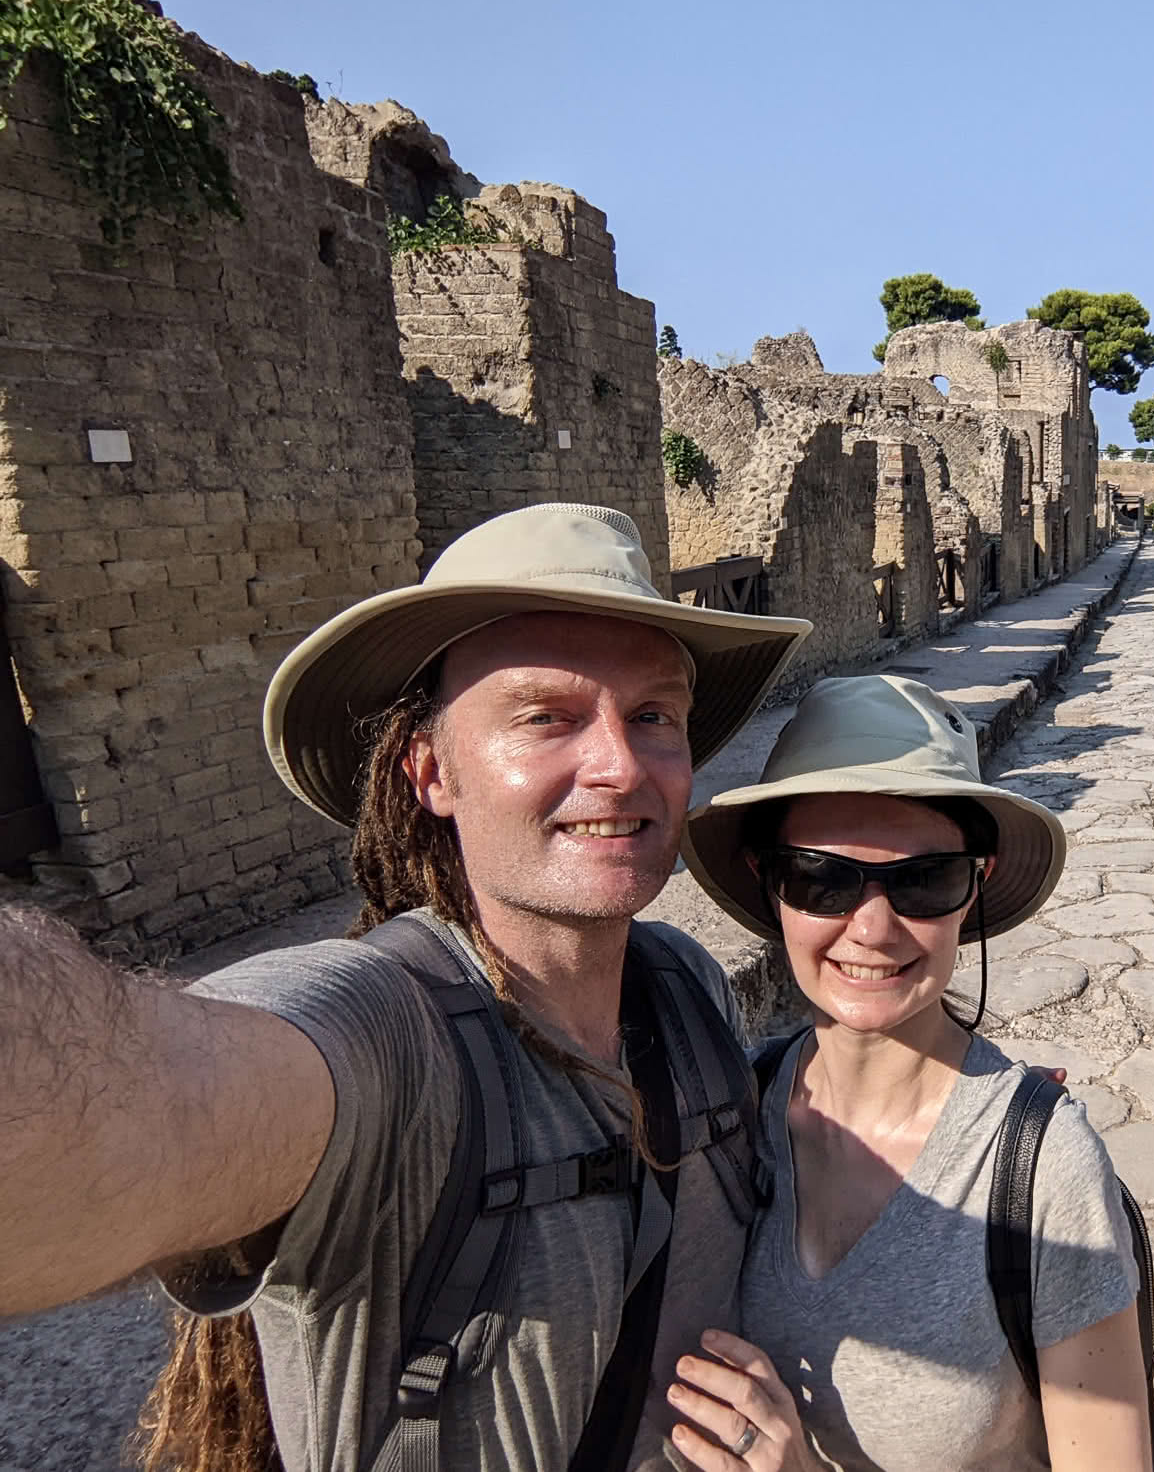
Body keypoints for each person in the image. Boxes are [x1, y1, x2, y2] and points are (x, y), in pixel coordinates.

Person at [0, 503, 824, 1472]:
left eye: (652, 717)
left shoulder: (684, 991)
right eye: (545, 717)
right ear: (429, 771)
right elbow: (130, 1102)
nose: (617, 765)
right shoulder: (387, 1033)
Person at [679, 674, 1153, 1472]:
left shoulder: (1042, 1170)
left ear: (975, 888)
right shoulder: (733, 1117)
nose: (871, 928)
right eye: (820, 878)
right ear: (770, 881)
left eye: (923, 882)